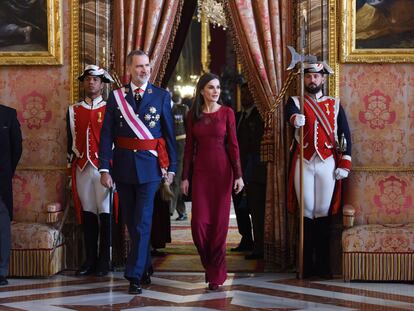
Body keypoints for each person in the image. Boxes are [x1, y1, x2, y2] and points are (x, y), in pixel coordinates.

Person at [99, 50, 177, 295]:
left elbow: (169, 135)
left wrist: (171, 167)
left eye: (147, 66)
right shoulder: (116, 97)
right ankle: (144, 266)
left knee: (142, 220)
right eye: (139, 66)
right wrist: (104, 168)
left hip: (150, 168)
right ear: (129, 68)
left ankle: (133, 275)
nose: (144, 70)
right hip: (122, 167)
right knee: (131, 222)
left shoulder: (161, 96)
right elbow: (107, 135)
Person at [286, 62, 352, 278]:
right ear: (303, 79)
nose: (312, 80)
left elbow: (345, 135)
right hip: (303, 161)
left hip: (326, 163)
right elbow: (291, 114)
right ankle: (305, 265)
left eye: (316, 77)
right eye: (308, 77)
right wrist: (295, 118)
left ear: (323, 79)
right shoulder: (295, 101)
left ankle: (323, 266)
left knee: (323, 212)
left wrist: (344, 164)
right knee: (306, 211)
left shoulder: (335, 104)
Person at [181, 73, 244, 290]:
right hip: (201, 174)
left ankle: (216, 273)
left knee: (219, 226)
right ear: (201, 91)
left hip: (222, 173)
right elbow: (189, 149)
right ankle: (211, 265)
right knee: (199, 225)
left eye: (217, 87)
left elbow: (234, 146)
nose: (215, 91)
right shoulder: (193, 116)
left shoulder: (227, 113)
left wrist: (239, 175)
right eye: (210, 87)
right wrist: (184, 177)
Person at [67, 65, 115, 277]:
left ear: (102, 83)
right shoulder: (73, 110)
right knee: (87, 214)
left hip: (105, 168)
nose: (91, 82)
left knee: (105, 214)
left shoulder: (111, 109)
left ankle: (105, 260)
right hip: (81, 167)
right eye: (87, 79)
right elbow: (69, 142)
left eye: (95, 79)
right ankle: (90, 260)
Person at [231, 83, 266, 260]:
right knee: (240, 208)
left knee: (256, 210)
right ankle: (246, 238)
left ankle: (259, 245)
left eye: (248, 93)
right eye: (242, 92)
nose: (244, 96)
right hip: (237, 171)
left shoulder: (260, 117)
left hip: (254, 171)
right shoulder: (237, 117)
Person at [0, 104, 22, 285]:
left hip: (1, 180)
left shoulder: (8, 114)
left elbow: (17, 148)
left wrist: (7, 172)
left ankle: (1, 271)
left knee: (1, 224)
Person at [170, 92, 189, 220]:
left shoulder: (182, 109)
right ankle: (182, 211)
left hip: (180, 149)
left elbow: (189, 128)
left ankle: (169, 209)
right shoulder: (160, 109)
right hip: (165, 148)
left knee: (176, 179)